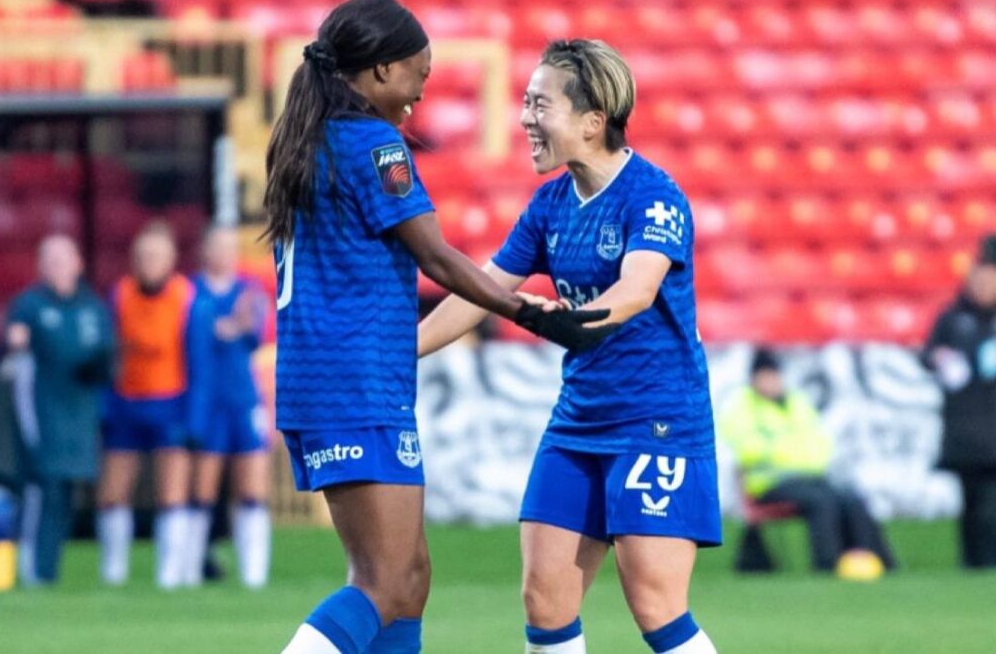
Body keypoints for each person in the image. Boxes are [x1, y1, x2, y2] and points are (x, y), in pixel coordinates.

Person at [267, 0, 614, 654]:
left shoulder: (309, 138)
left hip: (333, 378)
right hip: (354, 382)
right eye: (415, 76)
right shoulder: (371, 143)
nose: (418, 96)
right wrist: (527, 311)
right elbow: (435, 255)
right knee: (383, 580)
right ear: (377, 71)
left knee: (411, 580)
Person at [419, 39, 720, 654]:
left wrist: (571, 322)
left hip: (654, 421)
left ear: (591, 121)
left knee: (656, 607)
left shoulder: (654, 197)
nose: (526, 118)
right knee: (544, 600)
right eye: (525, 103)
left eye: (539, 105)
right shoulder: (550, 203)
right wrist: (398, 355)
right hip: (578, 422)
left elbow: (636, 291)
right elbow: (484, 290)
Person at [96, 221, 210, 589]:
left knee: (171, 495)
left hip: (171, 404)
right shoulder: (121, 295)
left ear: (171, 259)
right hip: (127, 404)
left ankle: (169, 576)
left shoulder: (186, 298)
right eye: (143, 255)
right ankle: (113, 573)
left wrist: (194, 419)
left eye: (156, 255)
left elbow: (198, 363)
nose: (149, 262)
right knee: (113, 494)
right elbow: (111, 355)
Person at [719, 347, 896, 574]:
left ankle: (875, 559)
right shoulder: (741, 407)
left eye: (774, 376)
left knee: (852, 499)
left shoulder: (797, 403)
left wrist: (793, 454)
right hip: (768, 483)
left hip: (810, 477)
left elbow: (819, 442)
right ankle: (827, 564)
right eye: (765, 376)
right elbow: (746, 447)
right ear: (754, 379)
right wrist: (788, 454)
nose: (771, 382)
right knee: (822, 502)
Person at [2, 235, 114, 585]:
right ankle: (34, 570)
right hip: (42, 411)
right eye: (50, 260)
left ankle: (48, 572)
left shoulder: (92, 308)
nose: (58, 267)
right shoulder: (29, 306)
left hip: (79, 414)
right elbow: (12, 354)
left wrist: (100, 365)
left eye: (64, 259)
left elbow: (107, 360)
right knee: (42, 489)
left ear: (78, 264)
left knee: (66, 493)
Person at [183, 225, 272, 588]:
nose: (224, 254)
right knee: (201, 490)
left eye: (229, 247)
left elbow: (255, 333)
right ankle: (185, 572)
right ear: (204, 251)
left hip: (243, 400)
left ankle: (255, 576)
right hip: (206, 402)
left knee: (252, 490)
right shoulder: (190, 293)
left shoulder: (249, 294)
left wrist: (238, 326)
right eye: (216, 247)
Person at [924, 234, 996, 569]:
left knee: (990, 506)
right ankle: (974, 566)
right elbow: (927, 355)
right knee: (972, 503)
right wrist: (939, 360)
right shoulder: (953, 318)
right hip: (966, 429)